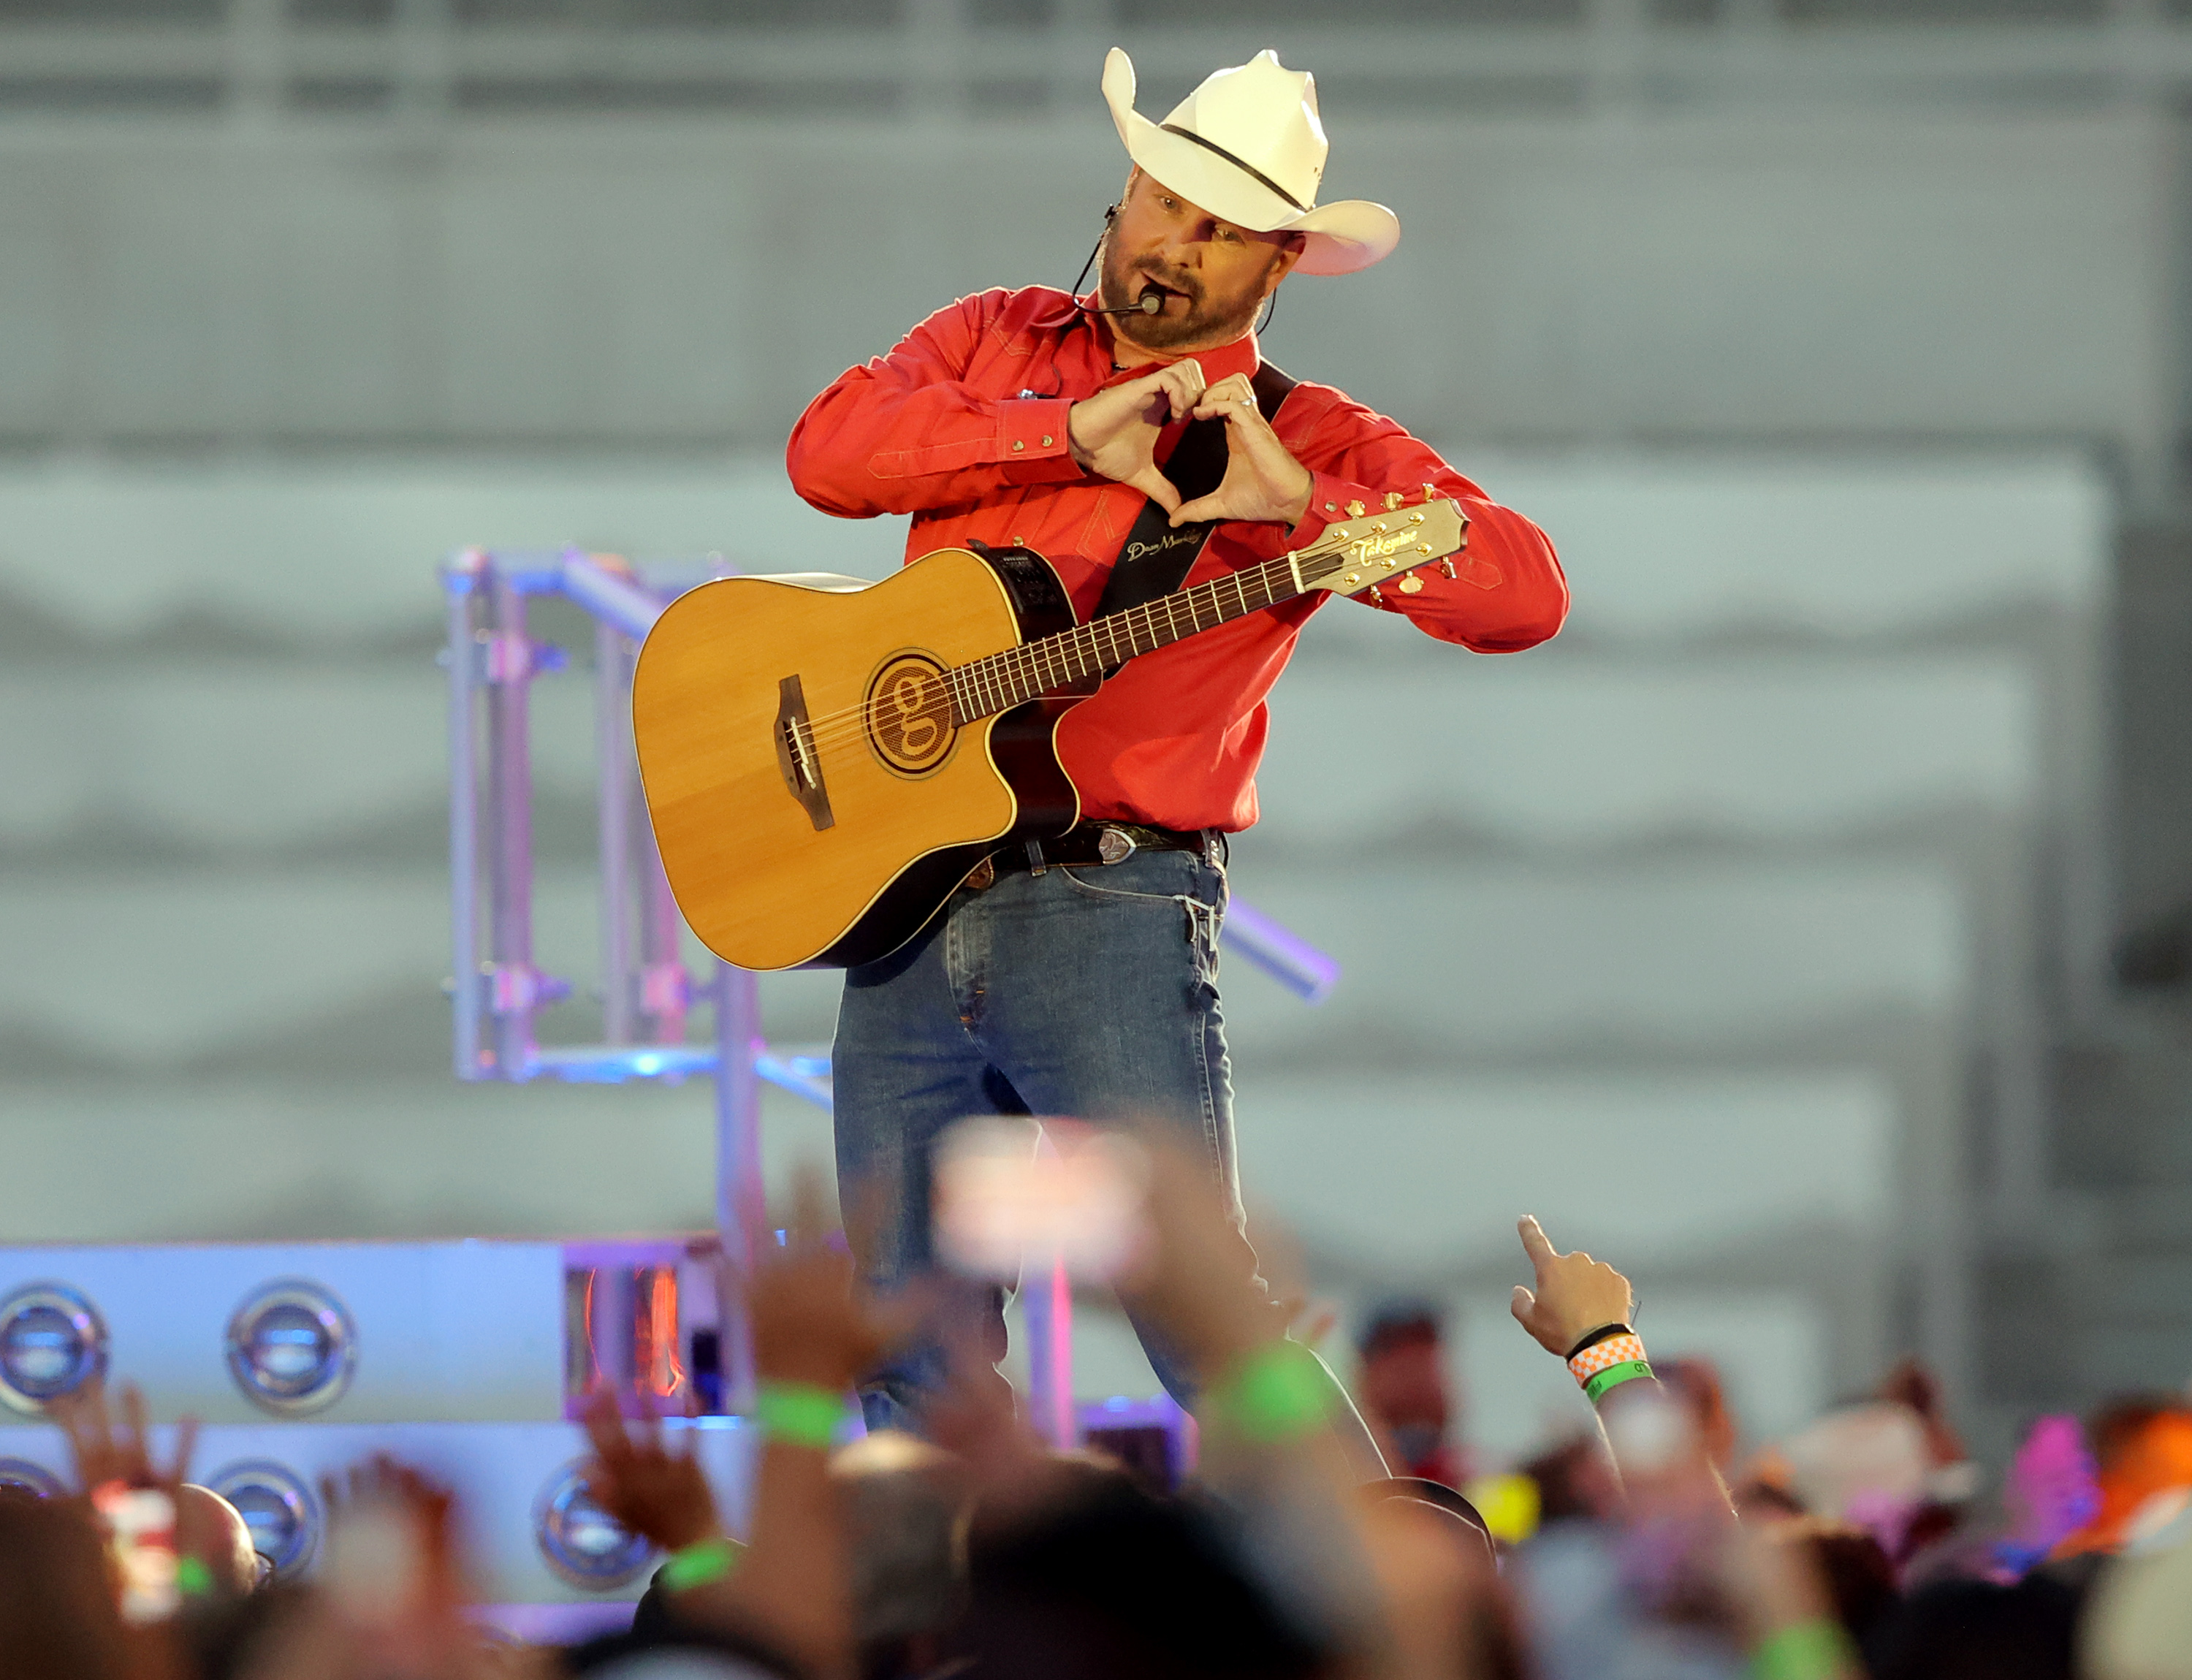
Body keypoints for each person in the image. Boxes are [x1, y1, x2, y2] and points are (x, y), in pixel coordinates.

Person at [785, 45, 1568, 1450]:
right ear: (1121, 195)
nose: (1179, 245)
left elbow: (1522, 590)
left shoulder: (1310, 433)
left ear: (1280, 269)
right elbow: (830, 453)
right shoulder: (995, 339)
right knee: (907, 1342)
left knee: (1209, 1327)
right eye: (1166, 202)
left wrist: (1305, 503)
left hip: (1113, 904)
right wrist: (1062, 435)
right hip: (904, 894)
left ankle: (1390, 1612)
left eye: (1224, 232)